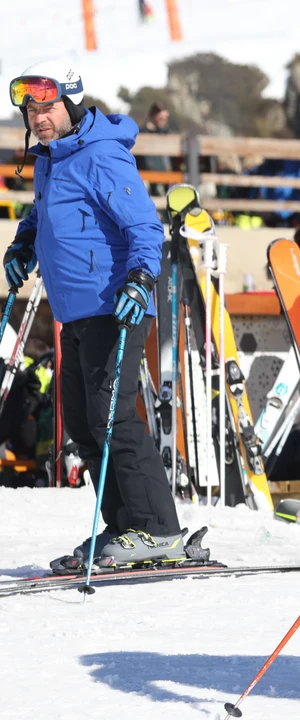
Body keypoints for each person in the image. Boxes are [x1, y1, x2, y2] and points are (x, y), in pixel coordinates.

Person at [4, 61, 184, 565]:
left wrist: (142, 279)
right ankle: (125, 527)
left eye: (47, 106)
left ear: (72, 103)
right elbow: (44, 215)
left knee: (112, 418)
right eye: (31, 109)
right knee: (83, 425)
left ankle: (157, 530)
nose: (38, 117)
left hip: (116, 306)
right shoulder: (50, 160)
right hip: (75, 312)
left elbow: (145, 229)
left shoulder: (102, 156)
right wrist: (23, 244)